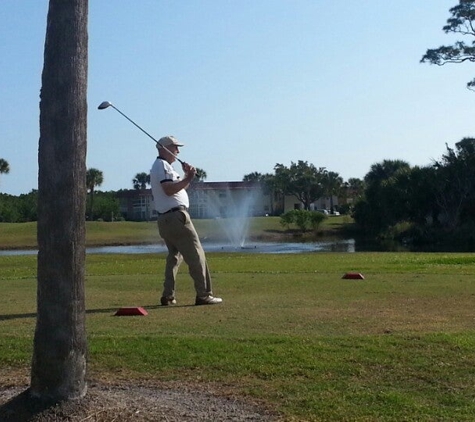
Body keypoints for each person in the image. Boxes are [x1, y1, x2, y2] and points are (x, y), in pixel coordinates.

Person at [150, 135, 222, 306]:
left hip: (166, 219)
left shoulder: (163, 167)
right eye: (175, 147)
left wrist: (186, 175)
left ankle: (168, 295)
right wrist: (188, 178)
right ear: (165, 148)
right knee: (197, 255)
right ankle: (204, 295)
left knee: (174, 256)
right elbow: (168, 190)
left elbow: (177, 188)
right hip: (176, 217)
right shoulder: (162, 165)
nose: (178, 151)